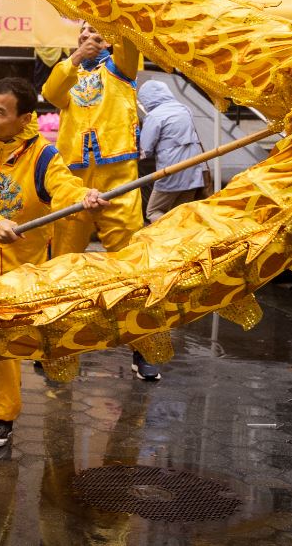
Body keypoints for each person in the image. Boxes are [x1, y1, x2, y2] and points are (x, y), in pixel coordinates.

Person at [0, 78, 107, 449]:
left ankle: (2, 414)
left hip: (25, 266)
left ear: (24, 119)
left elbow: (64, 186)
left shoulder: (43, 155)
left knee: (3, 331)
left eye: (0, 112)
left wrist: (85, 196)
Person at [42, 22, 160, 381]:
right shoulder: (69, 72)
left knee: (132, 268)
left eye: (96, 31)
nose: (88, 36)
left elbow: (128, 36)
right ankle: (56, 343)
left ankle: (143, 347)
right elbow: (50, 93)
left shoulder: (121, 67)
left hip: (118, 182)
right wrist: (76, 57)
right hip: (74, 182)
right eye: (83, 31)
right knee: (62, 265)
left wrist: (113, 23)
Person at [137, 80, 210, 222]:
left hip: (171, 169)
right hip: (193, 167)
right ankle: (181, 240)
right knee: (181, 213)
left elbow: (146, 149)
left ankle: (166, 236)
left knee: (153, 211)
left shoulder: (154, 116)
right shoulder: (184, 109)